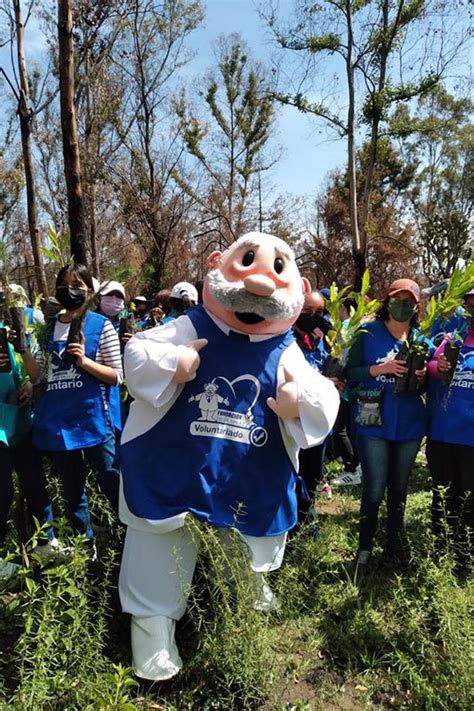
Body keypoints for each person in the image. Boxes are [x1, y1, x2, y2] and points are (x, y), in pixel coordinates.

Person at [118, 232, 339, 681]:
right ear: (217, 262)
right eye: (248, 261)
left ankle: (238, 623)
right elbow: (137, 353)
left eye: (278, 269)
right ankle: (154, 639)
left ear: (298, 285)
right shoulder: (190, 326)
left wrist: (302, 401)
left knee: (242, 559)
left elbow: (324, 398)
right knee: (158, 559)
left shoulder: (286, 348)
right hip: (174, 475)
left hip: (247, 476)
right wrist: (172, 364)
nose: (259, 285)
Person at [30, 264, 123, 551]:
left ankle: (128, 533)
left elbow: (117, 376)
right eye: (65, 284)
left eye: (77, 284)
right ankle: (85, 544)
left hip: (94, 419)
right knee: (72, 490)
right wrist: (24, 350)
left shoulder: (100, 325)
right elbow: (41, 378)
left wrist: (84, 361)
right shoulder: (47, 329)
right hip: (60, 424)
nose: (71, 289)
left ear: (89, 291)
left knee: (110, 478)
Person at [345, 278, 433, 577]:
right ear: (387, 300)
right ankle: (364, 550)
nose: (403, 305)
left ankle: (395, 544)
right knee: (373, 489)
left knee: (399, 488)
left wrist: (423, 375)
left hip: (409, 424)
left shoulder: (422, 338)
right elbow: (348, 372)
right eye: (398, 299)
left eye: (409, 302)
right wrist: (379, 369)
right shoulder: (367, 333)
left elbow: (433, 377)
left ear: (416, 307)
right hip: (373, 423)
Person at [0, 326, 55, 578]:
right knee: (3, 491)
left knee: (34, 484)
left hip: (18, 423)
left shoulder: (7, 335)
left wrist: (26, 387)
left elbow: (27, 374)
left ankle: (45, 542)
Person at [426, 288, 474, 573]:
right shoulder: (452, 340)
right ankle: (441, 551)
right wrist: (439, 365)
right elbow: (432, 365)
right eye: (470, 306)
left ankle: (465, 559)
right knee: (443, 496)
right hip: (443, 434)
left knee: (470, 500)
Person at [293, 290, 332, 516]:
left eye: (319, 312)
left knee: (313, 472)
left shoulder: (319, 341)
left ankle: (308, 513)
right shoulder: (286, 341)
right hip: (294, 419)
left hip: (317, 420)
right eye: (307, 311)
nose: (313, 317)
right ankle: (296, 519)